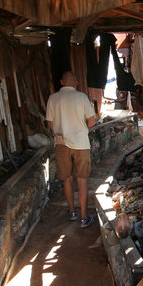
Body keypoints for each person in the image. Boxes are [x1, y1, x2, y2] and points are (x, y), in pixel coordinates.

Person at [46, 71, 97, 228]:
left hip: (61, 143)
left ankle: (72, 212)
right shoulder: (81, 97)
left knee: (66, 179)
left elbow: (51, 124)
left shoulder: (53, 98)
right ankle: (84, 217)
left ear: (61, 82)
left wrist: (61, 134)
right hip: (81, 144)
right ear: (76, 83)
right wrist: (80, 129)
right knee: (82, 180)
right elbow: (92, 121)